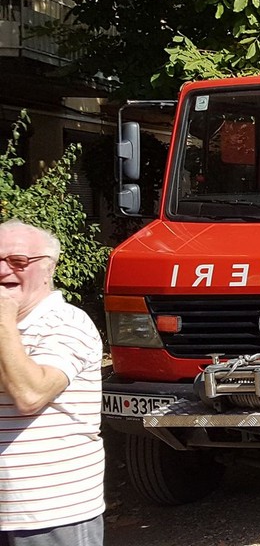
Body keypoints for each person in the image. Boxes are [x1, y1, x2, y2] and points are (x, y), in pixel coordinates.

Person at [0, 220, 104, 546]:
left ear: (47, 268)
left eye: (17, 262)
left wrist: (3, 320)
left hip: (48, 515)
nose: (4, 271)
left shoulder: (67, 324)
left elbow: (30, 394)